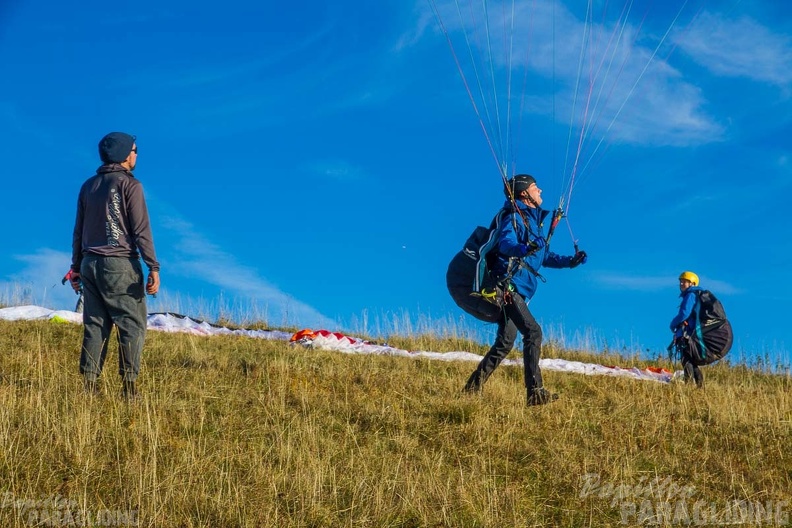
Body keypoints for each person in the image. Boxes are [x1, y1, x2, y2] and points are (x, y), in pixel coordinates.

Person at [463, 174, 587, 405]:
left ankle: (471, 389)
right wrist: (523, 247)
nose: (540, 191)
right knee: (533, 332)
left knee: (505, 343)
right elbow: (506, 244)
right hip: (509, 287)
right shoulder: (514, 218)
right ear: (523, 193)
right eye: (535, 188)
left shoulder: (532, 222)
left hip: (520, 288)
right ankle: (535, 393)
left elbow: (543, 256)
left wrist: (571, 261)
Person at [69, 132, 160, 399]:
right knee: (132, 324)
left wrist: (76, 266)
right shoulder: (130, 185)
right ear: (123, 154)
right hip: (119, 264)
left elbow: (78, 231)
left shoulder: (88, 186)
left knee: (95, 325)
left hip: (89, 264)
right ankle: (130, 389)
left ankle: (89, 387)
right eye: (134, 149)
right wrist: (153, 266)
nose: (136, 154)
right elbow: (141, 230)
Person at [669, 271, 732, 388]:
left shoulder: (691, 295)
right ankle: (700, 387)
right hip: (693, 333)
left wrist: (673, 324)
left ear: (692, 283)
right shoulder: (697, 294)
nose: (681, 283)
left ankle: (688, 385)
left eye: (685, 281)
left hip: (689, 334)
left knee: (686, 359)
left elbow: (684, 313)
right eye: (681, 281)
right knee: (691, 360)